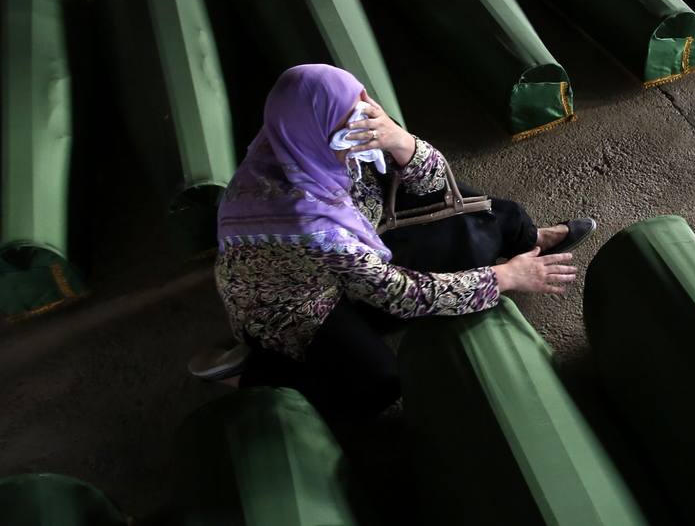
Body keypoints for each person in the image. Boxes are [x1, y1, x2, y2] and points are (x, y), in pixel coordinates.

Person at [211, 64, 592, 420]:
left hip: (355, 244)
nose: (363, 133)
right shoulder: (307, 222)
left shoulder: (314, 133)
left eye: (364, 111)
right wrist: (504, 278)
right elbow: (403, 295)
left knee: (484, 219)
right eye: (349, 129)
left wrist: (400, 140)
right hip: (294, 304)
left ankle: (527, 238)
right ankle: (251, 373)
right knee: (379, 384)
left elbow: (434, 185)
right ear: (315, 130)